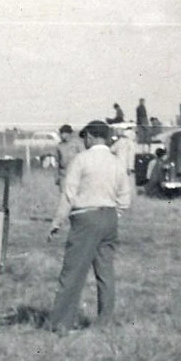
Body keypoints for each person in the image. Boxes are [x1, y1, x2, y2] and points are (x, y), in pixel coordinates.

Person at [45, 120, 131, 333]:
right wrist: (114, 214)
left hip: (85, 218)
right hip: (110, 218)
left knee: (73, 272)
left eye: (85, 137)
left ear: (91, 137)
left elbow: (69, 194)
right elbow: (125, 196)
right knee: (105, 273)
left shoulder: (81, 160)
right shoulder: (116, 162)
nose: (84, 141)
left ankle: (61, 323)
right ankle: (105, 322)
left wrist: (57, 221)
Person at [54, 124, 83, 190]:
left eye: (62, 133)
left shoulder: (77, 143)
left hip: (76, 175)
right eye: (60, 133)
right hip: (63, 175)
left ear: (68, 133)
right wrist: (57, 177)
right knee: (64, 196)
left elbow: (84, 158)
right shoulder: (59, 146)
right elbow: (57, 162)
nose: (60, 135)